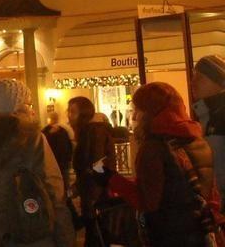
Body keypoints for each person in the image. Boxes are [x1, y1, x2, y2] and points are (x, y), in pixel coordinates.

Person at [101, 81, 221, 246]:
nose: (134, 117)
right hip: (200, 233)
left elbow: (147, 201)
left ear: (150, 112)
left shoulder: (153, 148)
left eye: (138, 110)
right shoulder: (199, 141)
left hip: (169, 235)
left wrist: (109, 177)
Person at [0, 79, 74, 247]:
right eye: (29, 105)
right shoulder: (32, 140)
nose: (33, 111)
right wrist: (65, 239)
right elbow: (53, 192)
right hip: (33, 237)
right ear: (17, 109)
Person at [68, 96, 115, 247]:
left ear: (84, 113)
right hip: (92, 191)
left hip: (95, 193)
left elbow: (97, 164)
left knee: (96, 233)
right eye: (68, 111)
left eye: (73, 111)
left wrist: (90, 196)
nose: (69, 115)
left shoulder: (93, 132)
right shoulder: (87, 132)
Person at [193, 54, 225, 209]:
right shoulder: (204, 115)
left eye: (200, 78)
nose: (193, 83)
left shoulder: (220, 116)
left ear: (217, 82)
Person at [43, 111, 73, 189]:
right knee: (66, 183)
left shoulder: (45, 131)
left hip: (55, 162)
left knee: (58, 183)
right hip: (62, 162)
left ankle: (63, 198)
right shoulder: (63, 130)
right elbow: (69, 146)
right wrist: (69, 158)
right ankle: (68, 198)